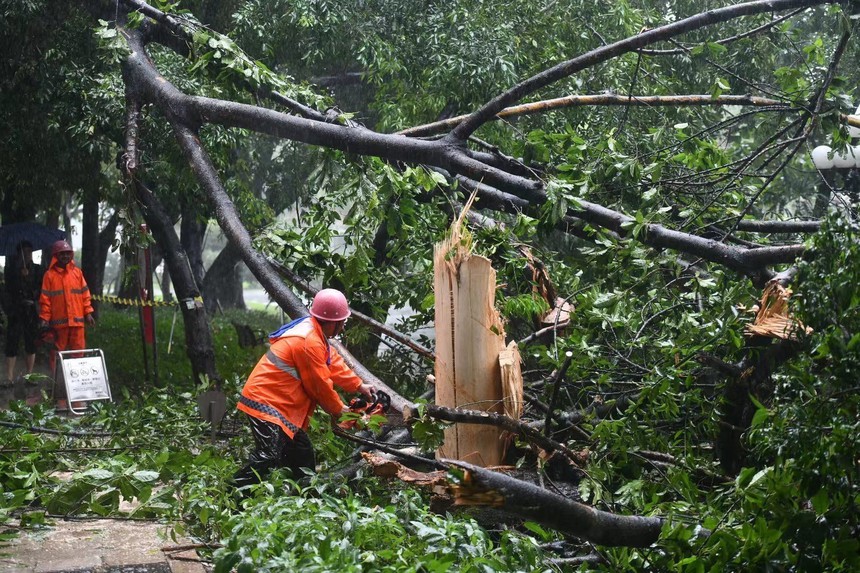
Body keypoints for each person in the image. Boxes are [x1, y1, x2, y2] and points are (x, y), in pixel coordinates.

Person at [233, 288, 375, 491]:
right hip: (266, 402)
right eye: (342, 322)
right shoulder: (308, 341)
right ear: (333, 322)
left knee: (301, 452)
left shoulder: (315, 334)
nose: (343, 326)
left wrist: (359, 385)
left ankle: (304, 497)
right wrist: (340, 411)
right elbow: (319, 387)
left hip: (280, 403)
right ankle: (232, 496)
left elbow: (331, 362)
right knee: (268, 456)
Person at [39, 240, 95, 381]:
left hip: (77, 324)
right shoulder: (49, 275)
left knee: (79, 353)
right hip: (59, 326)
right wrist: (44, 319)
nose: (65, 256)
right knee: (57, 354)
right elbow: (45, 300)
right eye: (62, 254)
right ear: (56, 256)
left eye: (67, 253)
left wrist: (88, 313)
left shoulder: (77, 273)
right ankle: (58, 383)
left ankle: (77, 382)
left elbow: (85, 295)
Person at [3, 241, 42, 385]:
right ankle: (9, 377)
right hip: (16, 311)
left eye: (29, 251)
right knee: (12, 342)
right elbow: (7, 291)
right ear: (18, 254)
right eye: (24, 252)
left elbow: (39, 290)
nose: (27, 254)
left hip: (31, 311)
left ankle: (30, 375)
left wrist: (28, 278)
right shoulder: (11, 270)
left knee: (31, 343)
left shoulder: (37, 270)